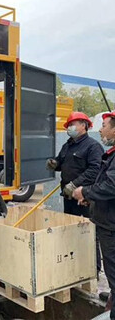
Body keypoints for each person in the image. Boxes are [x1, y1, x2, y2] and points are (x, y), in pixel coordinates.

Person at [46, 111, 103, 275]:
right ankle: (73, 264)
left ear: (84, 125)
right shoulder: (67, 145)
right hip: (68, 197)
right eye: (69, 125)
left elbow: (95, 170)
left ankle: (94, 270)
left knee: (88, 232)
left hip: (84, 198)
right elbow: (60, 162)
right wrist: (54, 164)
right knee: (71, 230)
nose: (69, 128)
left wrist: (75, 184)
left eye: (73, 124)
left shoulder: (93, 147)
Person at [73, 111, 115, 319]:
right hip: (106, 216)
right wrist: (92, 198)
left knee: (113, 268)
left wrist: (85, 191)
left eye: (105, 125)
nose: (101, 129)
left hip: (111, 225)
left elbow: (112, 185)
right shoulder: (112, 153)